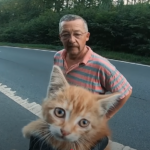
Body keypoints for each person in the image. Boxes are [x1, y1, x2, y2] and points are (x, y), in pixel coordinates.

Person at [28, 14, 132, 150]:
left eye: (77, 34)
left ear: (87, 36)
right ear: (60, 37)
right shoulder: (58, 56)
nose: (71, 40)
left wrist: (106, 116)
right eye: (65, 35)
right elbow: (55, 88)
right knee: (36, 137)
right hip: (62, 117)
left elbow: (126, 91)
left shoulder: (101, 65)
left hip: (81, 124)